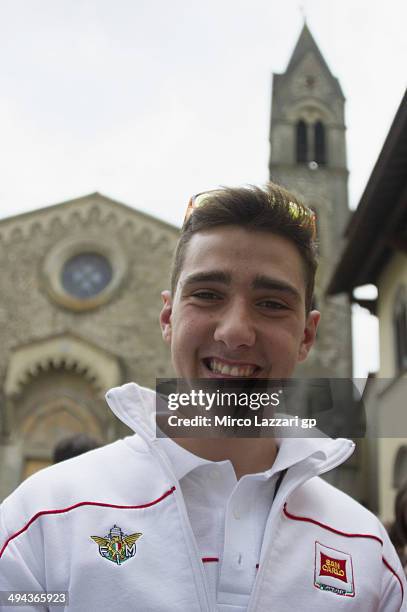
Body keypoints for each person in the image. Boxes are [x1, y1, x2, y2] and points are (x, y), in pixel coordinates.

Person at [0, 183, 405, 611]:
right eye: (207, 295)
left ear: (307, 335)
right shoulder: (40, 520)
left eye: (270, 303)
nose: (234, 331)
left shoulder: (367, 552)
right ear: (168, 317)